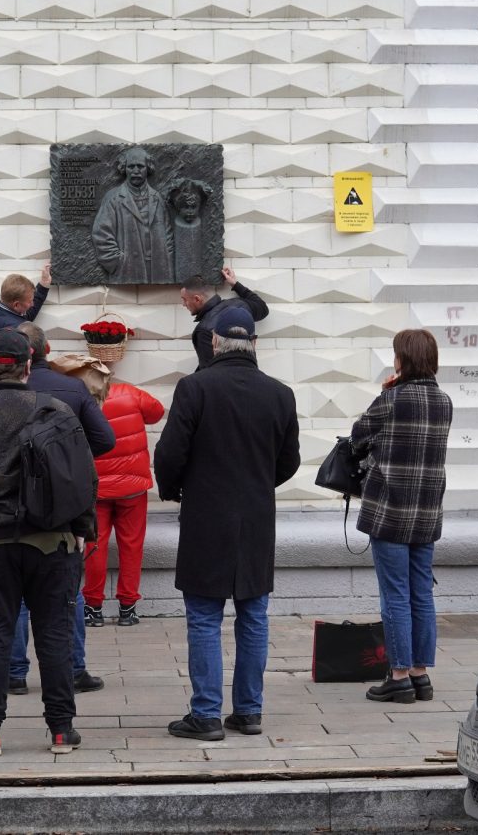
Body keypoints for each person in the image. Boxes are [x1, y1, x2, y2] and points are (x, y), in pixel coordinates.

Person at [0, 329, 97, 757]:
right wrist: (83, 532)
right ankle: (61, 730)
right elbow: (84, 477)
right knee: (55, 635)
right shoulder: (57, 409)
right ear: (28, 366)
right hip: (54, 542)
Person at [153, 306, 299, 741]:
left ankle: (206, 715)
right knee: (253, 615)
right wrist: (257, 483)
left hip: (206, 516)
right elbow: (289, 461)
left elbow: (170, 452)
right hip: (256, 517)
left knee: (203, 617)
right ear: (254, 343)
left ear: (215, 342)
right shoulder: (280, 393)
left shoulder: (195, 387)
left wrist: (174, 488)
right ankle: (249, 712)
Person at [6, 322, 116, 694]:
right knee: (67, 590)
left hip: (9, 501)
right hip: (60, 503)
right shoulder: (71, 388)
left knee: (15, 593)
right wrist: (69, 462)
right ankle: (73, 668)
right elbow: (105, 439)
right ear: (47, 349)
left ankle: (14, 672)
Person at [350, 328, 452, 705]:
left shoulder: (391, 399)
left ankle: (398, 677)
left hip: (390, 511)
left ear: (402, 360)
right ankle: (420, 675)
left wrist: (385, 392)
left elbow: (358, 436)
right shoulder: (444, 402)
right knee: (421, 593)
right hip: (427, 513)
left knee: (395, 594)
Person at [83, 377, 166, 627]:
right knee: (132, 546)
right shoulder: (132, 393)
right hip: (132, 486)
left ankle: (93, 607)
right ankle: (128, 608)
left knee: (94, 546)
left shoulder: (84, 398)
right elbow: (156, 413)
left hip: (97, 487)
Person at [92, 146, 173, 284]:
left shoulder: (157, 198)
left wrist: (167, 261)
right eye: (131, 166)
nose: (136, 171)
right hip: (128, 270)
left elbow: (168, 235)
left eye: (140, 166)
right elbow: (101, 235)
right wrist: (119, 263)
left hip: (158, 270)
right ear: (124, 168)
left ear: (148, 168)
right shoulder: (113, 198)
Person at [179, 267, 269, 371]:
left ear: (197, 299)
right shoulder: (241, 305)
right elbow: (263, 308)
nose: (183, 304)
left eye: (184, 300)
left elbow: (209, 372)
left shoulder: (203, 331)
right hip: (251, 375)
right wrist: (235, 284)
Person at [0, 265, 52, 342]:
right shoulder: (18, 332)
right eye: (30, 301)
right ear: (16, 305)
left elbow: (24, 316)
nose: (32, 304)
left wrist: (43, 285)